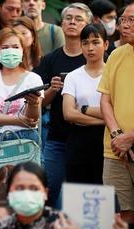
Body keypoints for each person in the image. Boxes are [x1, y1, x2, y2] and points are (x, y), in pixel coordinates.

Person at [33, 3, 91, 208]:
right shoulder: (49, 60)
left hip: (89, 138)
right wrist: (52, 90)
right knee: (47, 191)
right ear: (62, 22)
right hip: (56, 138)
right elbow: (39, 104)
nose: (72, 22)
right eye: (68, 18)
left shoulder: (94, 58)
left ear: (88, 25)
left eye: (78, 19)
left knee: (83, 195)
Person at [0, 27, 44, 195]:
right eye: (4, 47)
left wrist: (34, 104)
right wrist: (16, 120)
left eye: (15, 47)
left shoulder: (33, 79)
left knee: (28, 194)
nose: (10, 51)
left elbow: (32, 119)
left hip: (27, 140)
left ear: (23, 50)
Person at [98, 3, 134, 224]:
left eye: (132, 20)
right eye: (123, 20)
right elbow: (105, 99)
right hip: (115, 151)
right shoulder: (116, 55)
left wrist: (130, 137)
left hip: (125, 143)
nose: (125, 25)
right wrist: (117, 135)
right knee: (120, 218)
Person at [62, 23, 107, 184]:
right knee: (79, 197)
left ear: (106, 44)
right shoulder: (73, 77)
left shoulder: (112, 74)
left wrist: (84, 109)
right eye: (85, 43)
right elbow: (68, 113)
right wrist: (105, 118)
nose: (90, 48)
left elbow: (117, 111)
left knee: (108, 196)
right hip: (78, 141)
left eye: (96, 42)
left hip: (107, 139)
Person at [0, 162, 81, 229]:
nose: (26, 194)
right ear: (9, 192)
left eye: (34, 188)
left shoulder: (62, 226)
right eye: (20, 188)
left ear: (45, 193)